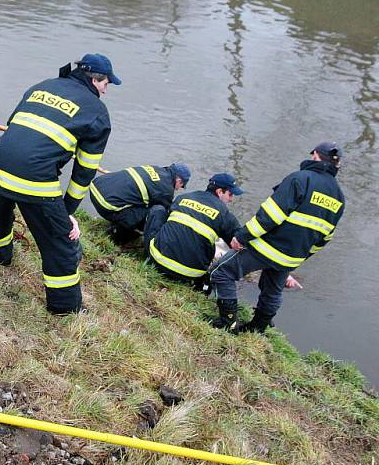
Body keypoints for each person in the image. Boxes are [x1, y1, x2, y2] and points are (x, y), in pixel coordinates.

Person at [0, 54, 119, 314]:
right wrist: (66, 213)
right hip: (34, 180)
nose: (106, 91)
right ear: (94, 79)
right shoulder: (97, 112)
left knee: (2, 206)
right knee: (60, 245)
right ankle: (65, 309)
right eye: (106, 84)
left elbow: (13, 128)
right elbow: (84, 172)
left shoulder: (42, 86)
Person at [209, 142, 345, 333]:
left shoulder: (300, 179)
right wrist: (300, 258)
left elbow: (270, 215)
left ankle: (227, 322)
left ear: (315, 154)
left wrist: (242, 236)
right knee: (272, 291)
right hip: (292, 257)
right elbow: (325, 237)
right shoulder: (339, 197)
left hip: (267, 247)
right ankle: (257, 328)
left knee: (221, 271)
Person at [143, 173, 243, 290]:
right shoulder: (225, 214)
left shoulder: (183, 197)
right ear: (220, 191)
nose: (231, 199)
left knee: (158, 210)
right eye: (230, 194)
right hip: (191, 274)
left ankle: (146, 255)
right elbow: (240, 239)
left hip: (158, 262)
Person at [89, 163, 191, 244]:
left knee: (139, 199)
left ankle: (120, 220)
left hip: (96, 186)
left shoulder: (154, 168)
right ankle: (117, 235)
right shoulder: (166, 191)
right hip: (106, 204)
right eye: (181, 186)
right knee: (153, 215)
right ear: (179, 180)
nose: (178, 189)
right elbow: (162, 214)